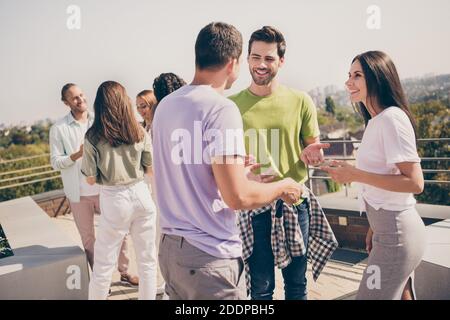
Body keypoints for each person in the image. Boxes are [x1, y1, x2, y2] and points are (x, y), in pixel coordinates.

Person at [152, 22, 303, 300]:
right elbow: (237, 198)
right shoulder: (221, 108)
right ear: (233, 63)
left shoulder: (165, 106)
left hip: (170, 249)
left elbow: (186, 168)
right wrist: (284, 186)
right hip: (208, 257)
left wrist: (237, 172)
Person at [229, 26, 332, 300]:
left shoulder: (301, 101)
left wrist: (312, 155)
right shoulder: (230, 106)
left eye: (269, 58)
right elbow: (223, 164)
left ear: (281, 61)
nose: (261, 64)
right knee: (260, 290)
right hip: (254, 210)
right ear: (246, 59)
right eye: (255, 57)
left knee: (297, 285)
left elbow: (312, 148)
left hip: (294, 205)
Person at [321, 51, 426, 300]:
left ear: (377, 78)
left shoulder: (392, 119)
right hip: (387, 232)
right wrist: (373, 226)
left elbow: (415, 182)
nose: (349, 82)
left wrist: (354, 174)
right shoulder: (375, 121)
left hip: (397, 236)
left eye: (357, 75)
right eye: (349, 75)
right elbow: (382, 178)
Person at [49, 83, 138, 287]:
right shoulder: (58, 129)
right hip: (78, 193)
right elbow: (55, 162)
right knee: (89, 239)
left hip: (105, 187)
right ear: (66, 103)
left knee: (120, 230)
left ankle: (124, 272)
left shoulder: (100, 120)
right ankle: (101, 281)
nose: (80, 100)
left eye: (81, 95)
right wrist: (76, 155)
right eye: (74, 98)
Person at [82, 81, 158, 300]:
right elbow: (150, 170)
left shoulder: (92, 137)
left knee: (104, 264)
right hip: (142, 194)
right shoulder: (139, 131)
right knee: (147, 261)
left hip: (114, 198)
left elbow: (90, 180)